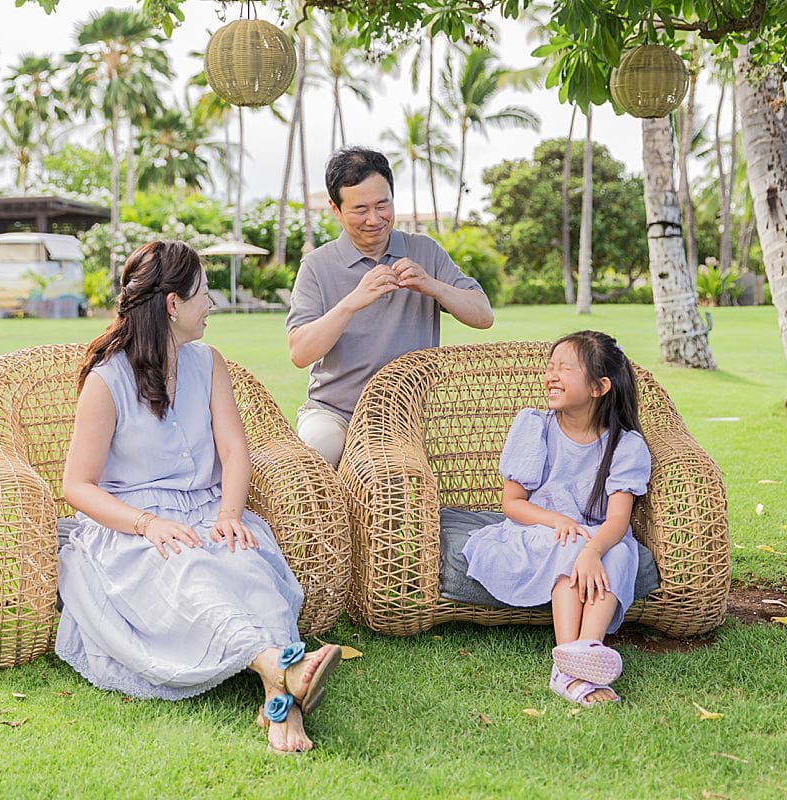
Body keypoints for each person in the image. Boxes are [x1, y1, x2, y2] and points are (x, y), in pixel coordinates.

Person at [56, 240, 342, 754]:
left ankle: (280, 699)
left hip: (210, 509)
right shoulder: (107, 381)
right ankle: (277, 668)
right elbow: (76, 486)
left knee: (248, 565)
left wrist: (231, 514)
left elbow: (235, 450)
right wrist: (148, 525)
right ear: (173, 304)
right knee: (192, 573)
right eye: (203, 293)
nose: (210, 304)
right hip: (135, 526)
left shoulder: (208, 362)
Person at [460, 331, 651, 707]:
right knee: (572, 544)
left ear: (599, 387)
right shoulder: (535, 426)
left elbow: (617, 522)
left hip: (596, 537)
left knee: (620, 553)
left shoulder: (626, 445)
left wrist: (593, 550)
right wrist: (559, 524)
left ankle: (584, 652)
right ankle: (568, 663)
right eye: (550, 367)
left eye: (565, 368)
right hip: (540, 530)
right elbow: (513, 504)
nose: (550, 375)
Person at [286, 146, 494, 467]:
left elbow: (483, 316)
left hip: (405, 415)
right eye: (360, 209)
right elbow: (300, 352)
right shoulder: (316, 266)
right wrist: (352, 302)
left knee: (389, 480)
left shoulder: (425, 251)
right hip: (334, 413)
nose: (374, 219)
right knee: (314, 457)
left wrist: (431, 285)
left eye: (382, 204)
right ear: (335, 209)